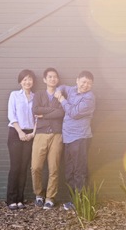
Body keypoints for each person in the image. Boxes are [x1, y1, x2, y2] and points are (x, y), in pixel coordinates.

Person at [55, 70, 96, 211]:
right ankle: (73, 201)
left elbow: (73, 113)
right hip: (68, 138)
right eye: (83, 81)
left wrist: (61, 99)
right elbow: (62, 87)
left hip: (80, 138)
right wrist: (59, 91)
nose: (85, 85)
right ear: (77, 80)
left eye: (89, 83)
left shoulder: (89, 98)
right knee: (69, 171)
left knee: (79, 171)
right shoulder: (72, 90)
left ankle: (80, 202)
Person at [31, 67, 65, 210]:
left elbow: (62, 112)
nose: (53, 79)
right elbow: (35, 109)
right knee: (36, 167)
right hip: (40, 134)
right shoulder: (38, 94)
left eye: (55, 77)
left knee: (54, 167)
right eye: (50, 77)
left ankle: (50, 197)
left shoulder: (60, 95)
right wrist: (52, 112)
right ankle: (39, 194)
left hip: (57, 134)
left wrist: (44, 115)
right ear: (45, 79)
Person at [6, 69, 37, 210]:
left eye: (30, 79)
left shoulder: (36, 97)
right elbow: (11, 115)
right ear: (20, 81)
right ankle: (11, 199)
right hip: (15, 132)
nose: (27, 81)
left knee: (24, 167)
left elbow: (38, 118)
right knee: (15, 167)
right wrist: (19, 132)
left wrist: (33, 134)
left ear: (33, 81)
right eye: (24, 79)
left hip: (30, 134)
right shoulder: (14, 95)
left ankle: (20, 199)